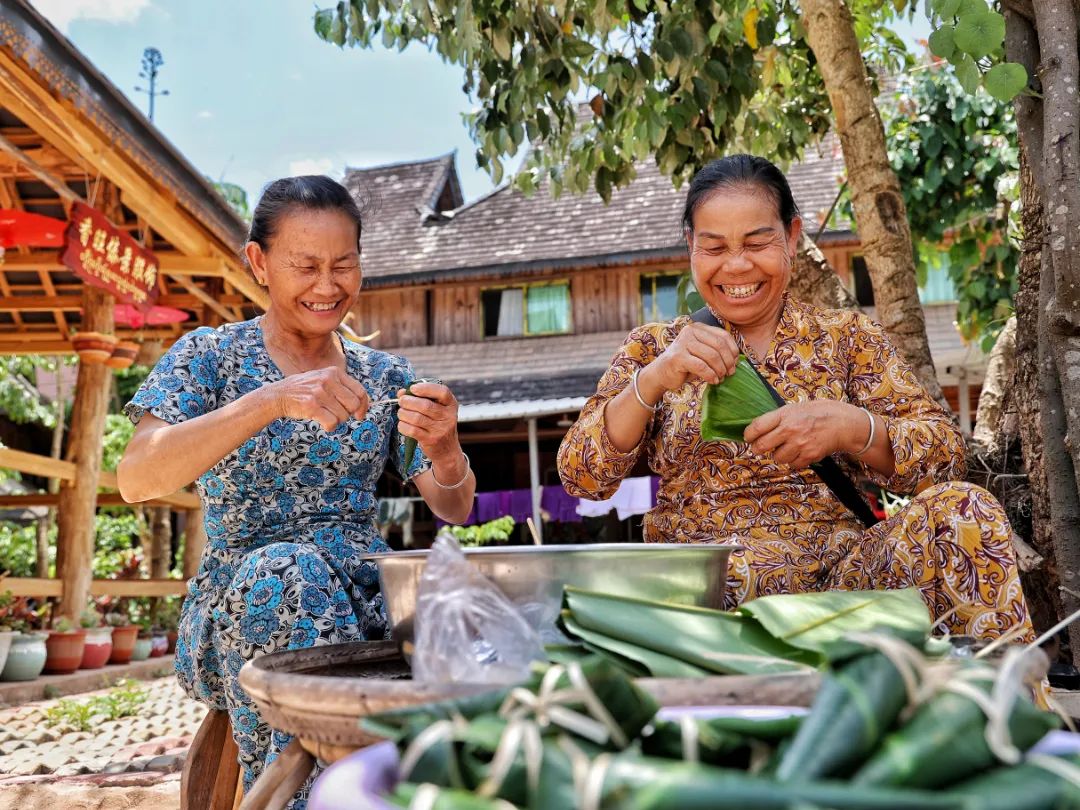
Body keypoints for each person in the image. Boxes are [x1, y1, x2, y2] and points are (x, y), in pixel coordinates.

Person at [558, 154, 1032, 642]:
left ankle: (1003, 708)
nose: (736, 265)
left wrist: (853, 427)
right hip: (705, 593)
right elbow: (580, 475)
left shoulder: (846, 338)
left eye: (758, 242)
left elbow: (945, 458)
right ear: (691, 248)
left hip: (844, 583)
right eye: (714, 246)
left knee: (963, 509)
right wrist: (654, 379)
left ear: (791, 237)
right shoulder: (655, 348)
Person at [117, 176, 475, 806]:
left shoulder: (383, 374)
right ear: (258, 262)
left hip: (366, 601)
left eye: (344, 265)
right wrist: (271, 400)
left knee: (485, 611)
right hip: (241, 603)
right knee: (287, 573)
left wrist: (446, 449)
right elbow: (137, 476)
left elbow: (455, 505)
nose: (327, 286)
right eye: (305, 266)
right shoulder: (211, 357)